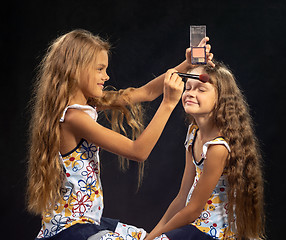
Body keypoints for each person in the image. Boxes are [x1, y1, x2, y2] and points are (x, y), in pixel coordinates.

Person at [26, 29, 213, 240]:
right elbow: (138, 151)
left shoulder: (87, 104)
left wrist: (186, 65)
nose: (106, 76)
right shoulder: (73, 118)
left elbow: (147, 92)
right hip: (71, 230)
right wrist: (169, 104)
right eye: (99, 69)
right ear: (75, 69)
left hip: (87, 222)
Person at [145, 62, 265, 240]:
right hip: (194, 226)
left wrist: (158, 236)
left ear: (221, 98)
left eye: (201, 89)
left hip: (212, 234)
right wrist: (151, 235)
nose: (190, 94)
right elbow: (182, 197)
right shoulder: (194, 133)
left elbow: (193, 210)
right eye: (188, 88)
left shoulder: (218, 147)